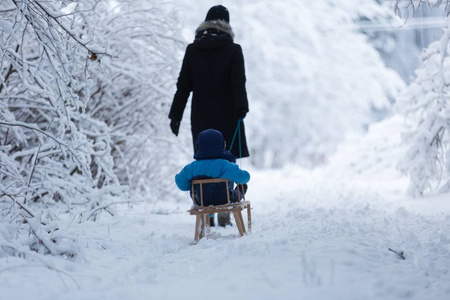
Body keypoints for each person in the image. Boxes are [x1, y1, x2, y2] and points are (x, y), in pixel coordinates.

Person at [169, 5, 250, 159]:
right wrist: (242, 108)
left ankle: (203, 184)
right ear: (227, 24)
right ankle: (228, 184)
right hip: (228, 114)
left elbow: (183, 86)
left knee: (205, 160)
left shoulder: (193, 50)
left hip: (201, 116)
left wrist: (175, 116)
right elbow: (238, 82)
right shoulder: (233, 50)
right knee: (227, 162)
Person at [175, 129, 250, 224]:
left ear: (198, 146)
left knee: (200, 192)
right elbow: (244, 178)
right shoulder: (225, 165)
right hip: (225, 200)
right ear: (222, 145)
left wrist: (191, 186)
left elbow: (180, 184)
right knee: (242, 186)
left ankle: (209, 216)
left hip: (200, 201)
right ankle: (224, 216)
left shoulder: (192, 167)